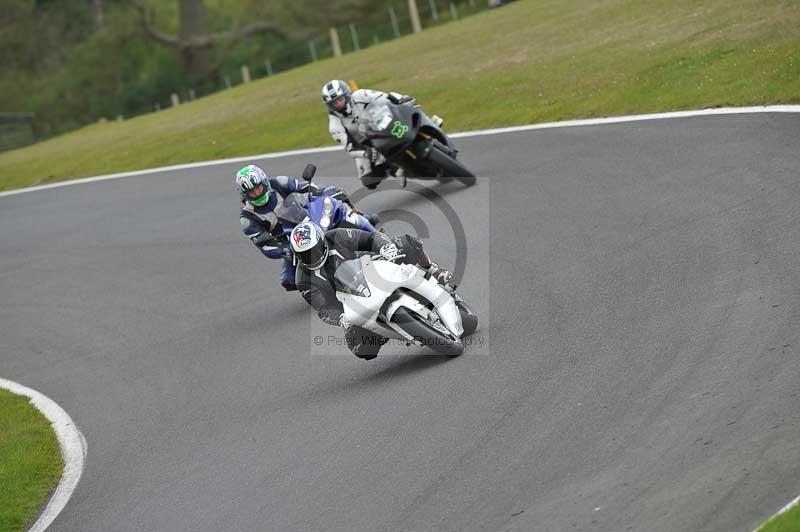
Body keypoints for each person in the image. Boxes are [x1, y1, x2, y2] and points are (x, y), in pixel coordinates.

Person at [290, 221, 453, 360]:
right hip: (352, 300)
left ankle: (432, 270)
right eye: (305, 255)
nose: (312, 257)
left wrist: (385, 248)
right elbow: (324, 307)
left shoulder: (337, 236)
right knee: (361, 348)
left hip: (372, 267)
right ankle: (383, 332)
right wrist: (340, 318)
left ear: (322, 242)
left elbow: (369, 238)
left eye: (314, 250)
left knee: (405, 243)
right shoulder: (303, 280)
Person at [235, 164, 360, 291]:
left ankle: (369, 227)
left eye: (258, 188)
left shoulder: (279, 183)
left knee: (338, 201)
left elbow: (307, 187)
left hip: (309, 218)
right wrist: (284, 250)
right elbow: (265, 246)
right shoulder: (247, 218)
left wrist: (324, 192)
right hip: (290, 242)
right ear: (245, 194)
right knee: (289, 280)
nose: (257, 193)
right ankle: (324, 290)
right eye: (251, 192)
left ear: (264, 182)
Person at [321, 79, 443, 189]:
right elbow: (349, 147)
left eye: (340, 100)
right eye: (334, 103)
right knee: (369, 180)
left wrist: (401, 99)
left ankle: (430, 123)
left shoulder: (360, 95)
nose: (338, 104)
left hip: (382, 122)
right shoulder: (334, 125)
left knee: (410, 108)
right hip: (366, 144)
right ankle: (397, 169)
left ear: (347, 94)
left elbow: (384, 96)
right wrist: (365, 153)